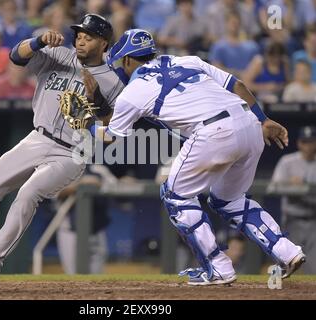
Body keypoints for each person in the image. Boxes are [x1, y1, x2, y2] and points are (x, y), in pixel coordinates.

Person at [88, 29, 305, 285]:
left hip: (213, 132)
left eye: (117, 64)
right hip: (248, 124)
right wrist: (264, 119)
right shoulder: (187, 60)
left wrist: (86, 125)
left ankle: (217, 266)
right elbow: (237, 85)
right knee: (231, 200)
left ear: (126, 60)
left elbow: (112, 137)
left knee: (174, 195)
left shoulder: (132, 92)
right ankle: (287, 250)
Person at [0, 14, 124, 283]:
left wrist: (98, 101)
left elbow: (113, 131)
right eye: (80, 36)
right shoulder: (58, 54)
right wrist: (37, 41)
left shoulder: (113, 81)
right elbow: (16, 56)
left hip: (72, 151)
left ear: (104, 43)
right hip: (37, 138)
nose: (81, 41)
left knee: (28, 194)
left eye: (89, 37)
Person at [269, 126, 316, 274]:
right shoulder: (287, 162)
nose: (308, 145)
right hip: (292, 220)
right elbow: (271, 188)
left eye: (311, 141)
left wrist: (302, 186)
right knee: (286, 265)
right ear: (299, 143)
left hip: (314, 221)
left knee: (313, 269)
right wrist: (290, 185)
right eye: (305, 141)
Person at [57, 164, 116, 274]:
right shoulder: (63, 169)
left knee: (96, 276)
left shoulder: (99, 170)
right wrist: (79, 184)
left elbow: (116, 187)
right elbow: (56, 193)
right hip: (70, 231)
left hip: (97, 230)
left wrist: (99, 183)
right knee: (73, 275)